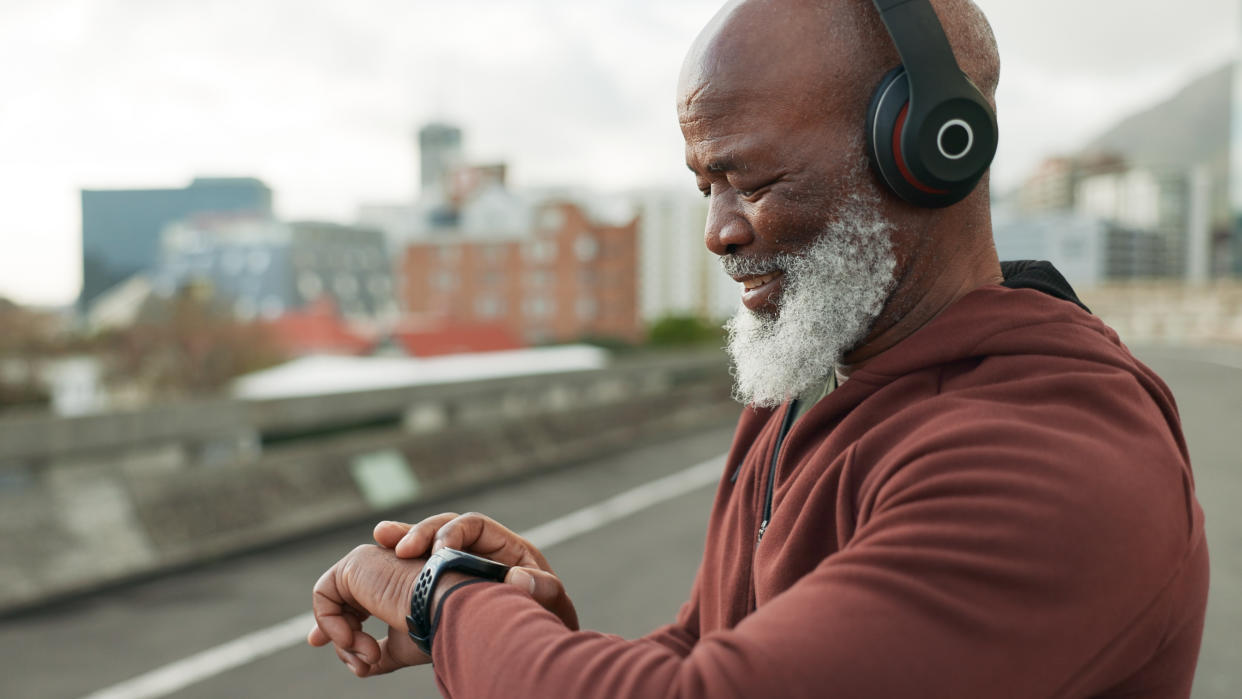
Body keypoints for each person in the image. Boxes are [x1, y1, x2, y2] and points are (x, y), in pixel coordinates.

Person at [308, 0, 1210, 696]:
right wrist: (532, 622)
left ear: (931, 148)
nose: (718, 233)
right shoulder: (804, 394)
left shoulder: (1048, 462)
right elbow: (699, 651)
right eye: (705, 186)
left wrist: (448, 599)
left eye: (752, 181)